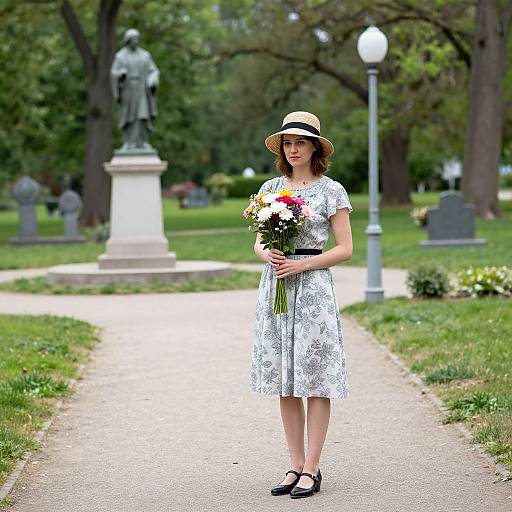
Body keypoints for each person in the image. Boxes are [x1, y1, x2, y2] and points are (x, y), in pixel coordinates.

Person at [250, 111, 353, 499]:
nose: (293, 150)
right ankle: (294, 465)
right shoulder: (271, 187)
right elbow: (259, 241)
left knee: (315, 378)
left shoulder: (332, 191)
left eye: (300, 143)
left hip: (312, 289)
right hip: (276, 286)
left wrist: (302, 264)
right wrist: (269, 255)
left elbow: (345, 249)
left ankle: (313, 468)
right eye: (287, 144)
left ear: (314, 148)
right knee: (286, 380)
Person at [110, 29, 159, 152]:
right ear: (127, 41)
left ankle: (143, 142)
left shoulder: (145, 55)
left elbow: (154, 70)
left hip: (142, 88)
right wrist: (120, 74)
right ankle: (128, 142)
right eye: (133, 39)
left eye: (137, 39)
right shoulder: (120, 56)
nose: (136, 41)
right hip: (128, 89)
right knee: (129, 115)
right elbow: (113, 72)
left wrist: (152, 79)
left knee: (142, 115)